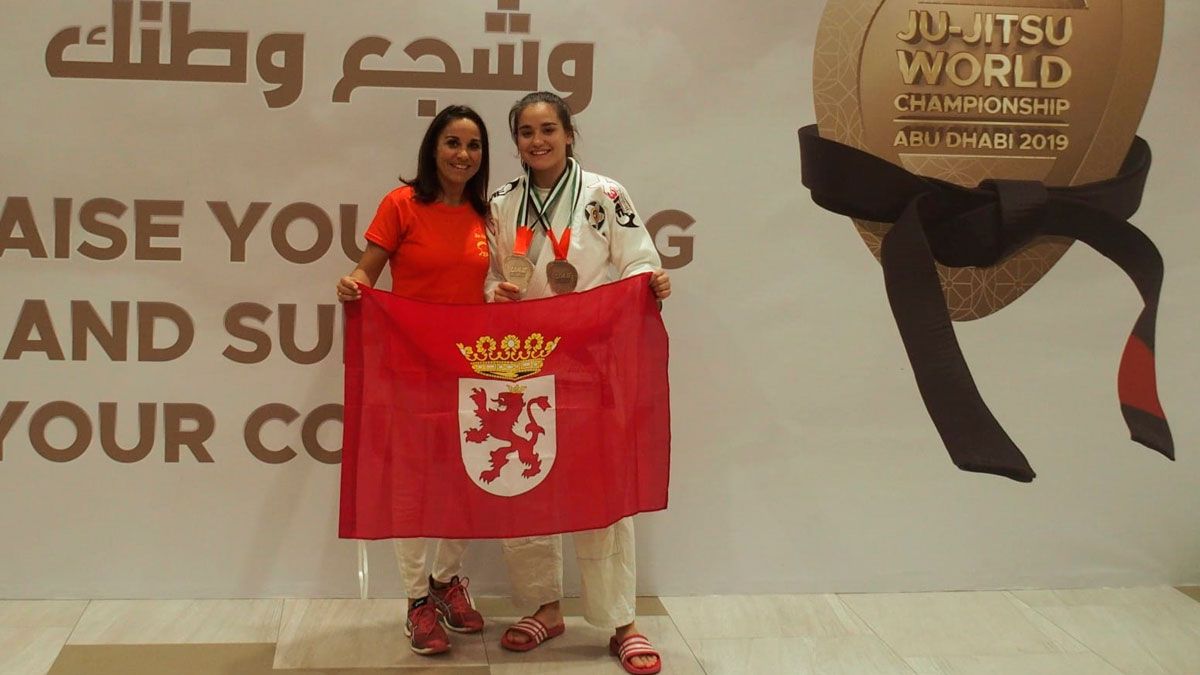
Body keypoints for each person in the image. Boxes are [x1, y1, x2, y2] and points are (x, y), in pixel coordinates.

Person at [485, 91, 671, 675]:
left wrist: (650, 281)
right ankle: (544, 606)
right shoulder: (501, 202)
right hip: (522, 358)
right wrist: (497, 293)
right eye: (525, 132)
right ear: (515, 141)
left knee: (603, 490)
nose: (536, 141)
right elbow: (488, 277)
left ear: (570, 134)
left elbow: (638, 257)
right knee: (525, 481)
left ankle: (622, 621)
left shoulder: (605, 195)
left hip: (589, 357)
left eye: (547, 129)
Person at [336, 104, 491, 656]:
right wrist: (353, 283)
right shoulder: (402, 204)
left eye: (473, 146)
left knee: (463, 480)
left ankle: (447, 583)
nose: (462, 155)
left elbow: (496, 285)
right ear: (433, 148)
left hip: (470, 370)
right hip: (410, 368)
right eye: (453, 143)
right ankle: (414, 600)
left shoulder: (486, 214)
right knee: (412, 484)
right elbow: (366, 270)